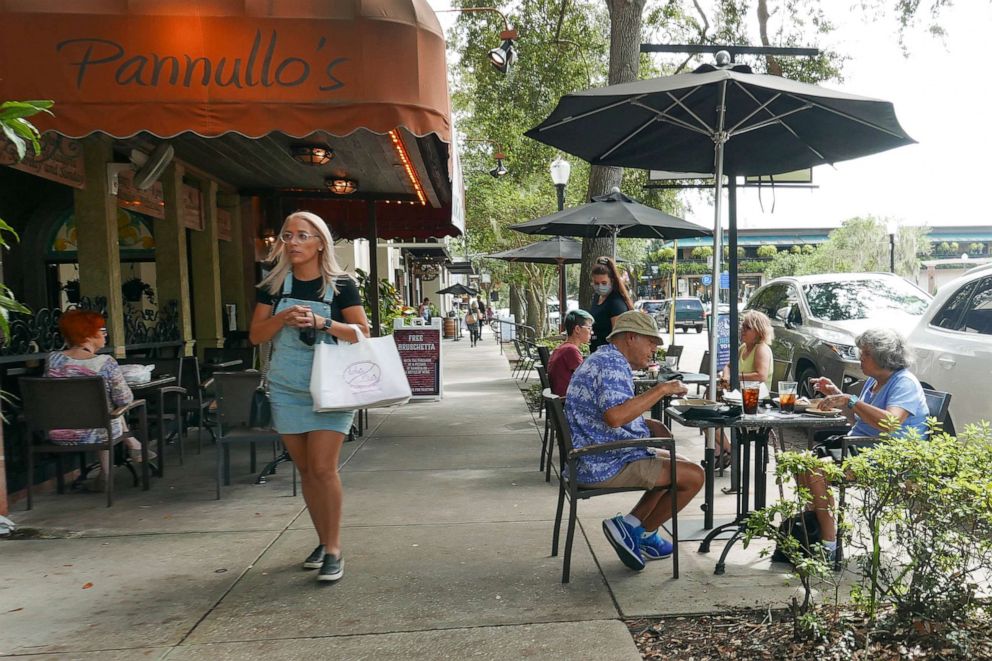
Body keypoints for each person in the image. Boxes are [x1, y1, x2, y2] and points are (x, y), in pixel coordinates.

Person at [250, 210, 370, 584]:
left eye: (302, 235)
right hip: (287, 387)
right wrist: (282, 319)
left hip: (332, 388)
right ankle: (322, 539)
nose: (293, 242)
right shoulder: (273, 285)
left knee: (322, 468)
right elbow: (256, 335)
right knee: (305, 471)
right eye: (288, 235)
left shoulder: (341, 285)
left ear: (320, 242)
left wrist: (322, 323)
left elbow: (362, 333)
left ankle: (333, 549)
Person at [565, 310, 704, 572]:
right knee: (694, 476)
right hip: (602, 461)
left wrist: (647, 424)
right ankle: (634, 529)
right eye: (651, 342)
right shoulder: (612, 365)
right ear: (631, 337)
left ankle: (639, 530)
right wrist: (662, 389)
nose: (653, 349)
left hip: (593, 455)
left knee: (676, 462)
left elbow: (610, 412)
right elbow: (616, 417)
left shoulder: (604, 358)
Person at [797, 328, 928, 559]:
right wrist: (837, 395)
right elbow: (858, 418)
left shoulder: (904, 383)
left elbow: (890, 423)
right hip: (861, 446)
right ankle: (814, 529)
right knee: (801, 464)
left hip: (888, 455)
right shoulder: (874, 381)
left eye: (865, 353)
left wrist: (851, 400)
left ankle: (828, 546)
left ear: (882, 356)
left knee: (815, 469)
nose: (860, 357)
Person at [44, 309, 154, 490]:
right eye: (102, 330)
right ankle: (125, 451)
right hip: (98, 432)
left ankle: (112, 467)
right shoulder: (105, 362)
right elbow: (125, 400)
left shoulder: (53, 359)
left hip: (58, 432)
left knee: (100, 409)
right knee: (109, 411)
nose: (105, 335)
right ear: (87, 334)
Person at [715, 310, 774, 467]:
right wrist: (726, 376)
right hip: (739, 396)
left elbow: (761, 375)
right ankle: (723, 450)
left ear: (758, 331)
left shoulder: (761, 348)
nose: (742, 329)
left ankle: (726, 451)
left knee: (712, 411)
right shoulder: (743, 348)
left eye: (747, 327)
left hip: (755, 401)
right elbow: (728, 365)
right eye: (743, 326)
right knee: (710, 405)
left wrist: (735, 377)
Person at [588, 256, 634, 353]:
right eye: (596, 283)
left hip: (609, 356)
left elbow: (618, 337)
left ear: (612, 281)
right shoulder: (596, 297)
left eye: (604, 283)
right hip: (596, 352)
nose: (600, 286)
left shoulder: (616, 303)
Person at [547, 309, 593, 396]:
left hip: (563, 398)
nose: (591, 332)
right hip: (569, 401)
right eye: (589, 328)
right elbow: (587, 379)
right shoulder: (571, 350)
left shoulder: (563, 348)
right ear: (577, 329)